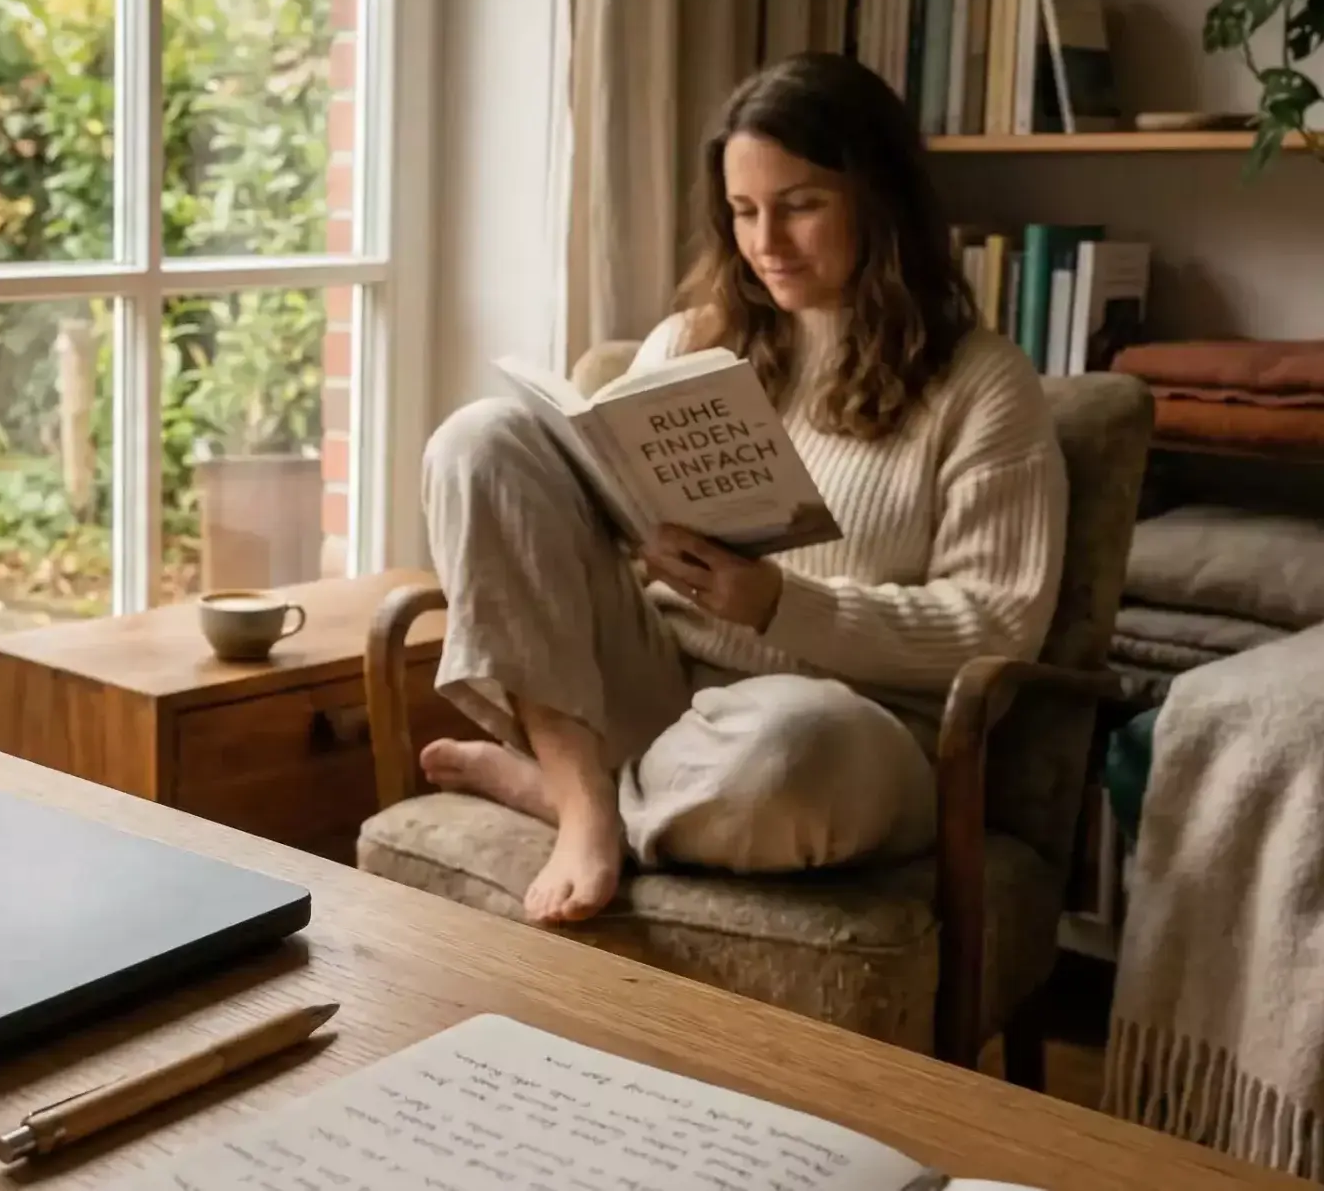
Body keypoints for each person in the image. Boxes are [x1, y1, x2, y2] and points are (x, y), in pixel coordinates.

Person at [419, 51, 1066, 925]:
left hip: (846, 733)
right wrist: (630, 527)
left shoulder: (984, 383)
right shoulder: (694, 339)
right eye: (744, 211)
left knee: (791, 753)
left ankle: (564, 793)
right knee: (478, 437)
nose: (767, 242)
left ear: (880, 199)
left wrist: (779, 603)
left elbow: (997, 626)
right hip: (660, 681)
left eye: (801, 205)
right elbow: (589, 526)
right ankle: (583, 796)